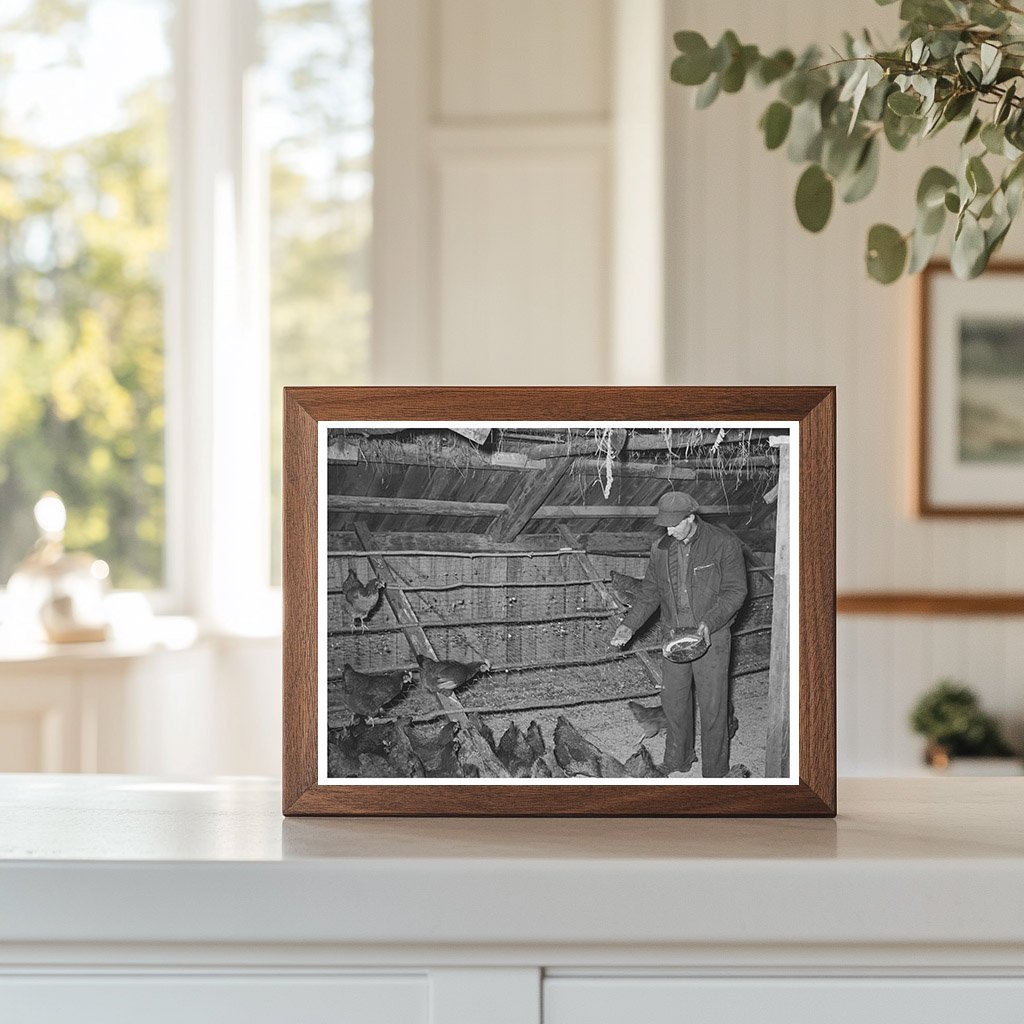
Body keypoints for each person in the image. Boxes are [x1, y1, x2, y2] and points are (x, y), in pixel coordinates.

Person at [609, 491, 747, 777]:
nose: (668, 530)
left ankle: (715, 771)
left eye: (674, 524)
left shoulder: (723, 544)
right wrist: (629, 625)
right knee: (674, 701)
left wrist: (710, 622)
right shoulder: (661, 548)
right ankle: (678, 759)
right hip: (674, 637)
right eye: (665, 525)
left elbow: (736, 591)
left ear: (691, 518)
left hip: (712, 635)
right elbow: (650, 593)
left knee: (713, 707)